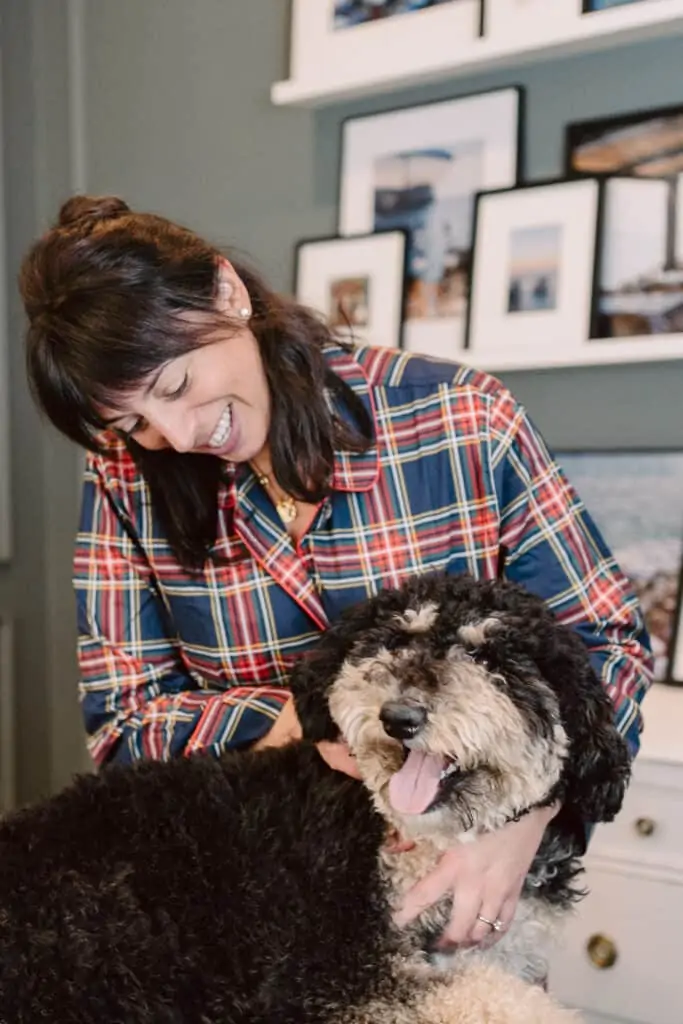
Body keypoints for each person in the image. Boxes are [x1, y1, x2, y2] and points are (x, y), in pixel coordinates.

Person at [19, 194, 653, 952]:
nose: (178, 436)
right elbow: (125, 726)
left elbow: (605, 644)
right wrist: (308, 720)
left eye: (176, 385)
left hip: (459, 890)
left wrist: (526, 818)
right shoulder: (126, 479)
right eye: (134, 422)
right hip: (249, 906)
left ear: (226, 290)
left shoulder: (460, 419)